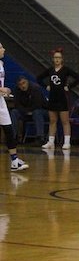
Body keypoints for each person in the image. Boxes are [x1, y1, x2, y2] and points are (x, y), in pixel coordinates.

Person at [37, 48, 79, 150]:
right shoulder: (50, 70)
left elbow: (78, 78)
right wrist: (46, 86)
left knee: (65, 121)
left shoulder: (66, 70)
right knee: (52, 121)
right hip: (52, 97)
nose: (57, 59)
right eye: (55, 58)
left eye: (59, 58)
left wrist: (69, 87)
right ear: (53, 59)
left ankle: (67, 142)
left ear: (62, 59)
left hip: (62, 97)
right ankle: (50, 142)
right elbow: (39, 78)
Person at [0, 42, 29, 171]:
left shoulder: (1, 64)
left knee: (8, 129)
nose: (4, 49)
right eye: (1, 47)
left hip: (1, 101)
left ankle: (15, 161)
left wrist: (5, 90)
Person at [9, 76, 48, 145]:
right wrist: (26, 111)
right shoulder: (17, 90)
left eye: (23, 83)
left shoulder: (35, 88)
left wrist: (29, 111)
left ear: (27, 82)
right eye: (20, 85)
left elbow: (38, 104)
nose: (22, 86)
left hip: (40, 111)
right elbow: (17, 105)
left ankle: (40, 137)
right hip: (26, 112)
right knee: (14, 112)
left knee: (37, 112)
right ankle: (13, 137)